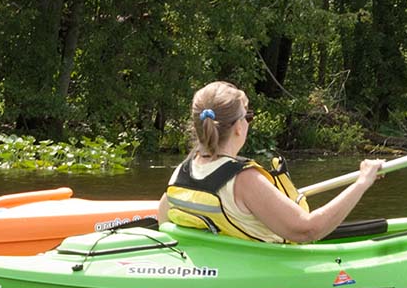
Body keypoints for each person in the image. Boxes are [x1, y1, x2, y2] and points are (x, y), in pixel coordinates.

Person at [156, 81, 384, 243]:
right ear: (238, 127)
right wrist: (362, 183)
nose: (248, 122)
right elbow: (308, 230)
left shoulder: (182, 172)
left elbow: (164, 219)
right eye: (248, 116)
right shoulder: (245, 179)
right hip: (263, 273)